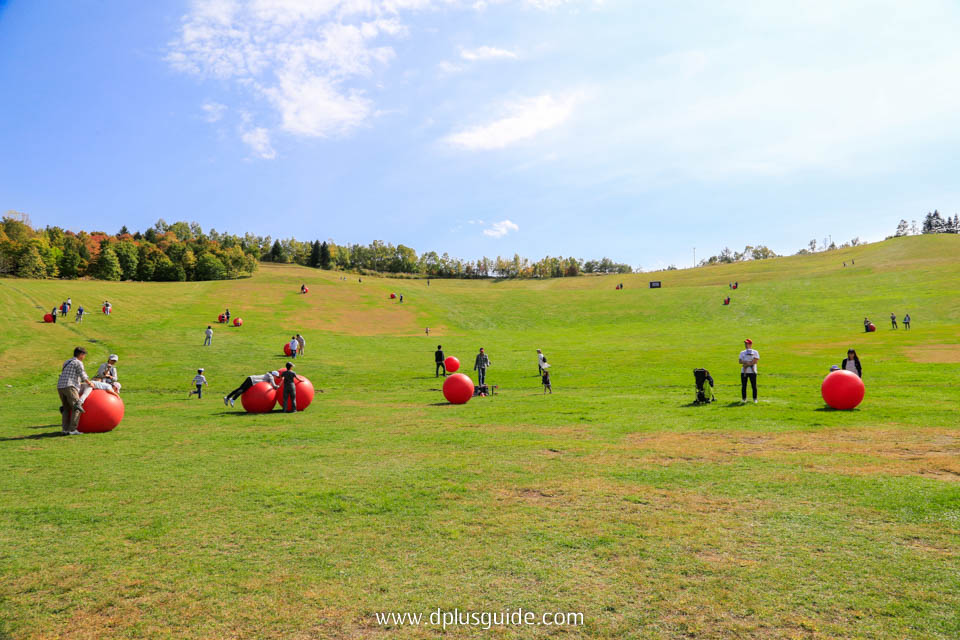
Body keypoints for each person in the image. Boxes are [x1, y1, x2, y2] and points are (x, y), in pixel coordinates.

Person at [57, 346, 90, 435]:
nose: (84, 357)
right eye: (84, 355)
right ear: (80, 354)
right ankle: (72, 430)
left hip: (60, 386)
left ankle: (65, 429)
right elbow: (82, 374)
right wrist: (89, 383)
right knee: (77, 407)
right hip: (70, 386)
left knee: (66, 408)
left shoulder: (67, 362)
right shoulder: (78, 362)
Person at [738, 338, 760, 404]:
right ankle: (744, 399)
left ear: (750, 344)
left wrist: (747, 364)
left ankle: (755, 399)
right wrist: (747, 362)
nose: (745, 345)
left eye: (747, 343)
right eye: (745, 343)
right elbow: (740, 361)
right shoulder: (742, 352)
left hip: (752, 372)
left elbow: (755, 361)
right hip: (743, 372)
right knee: (744, 386)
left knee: (754, 386)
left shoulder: (755, 352)